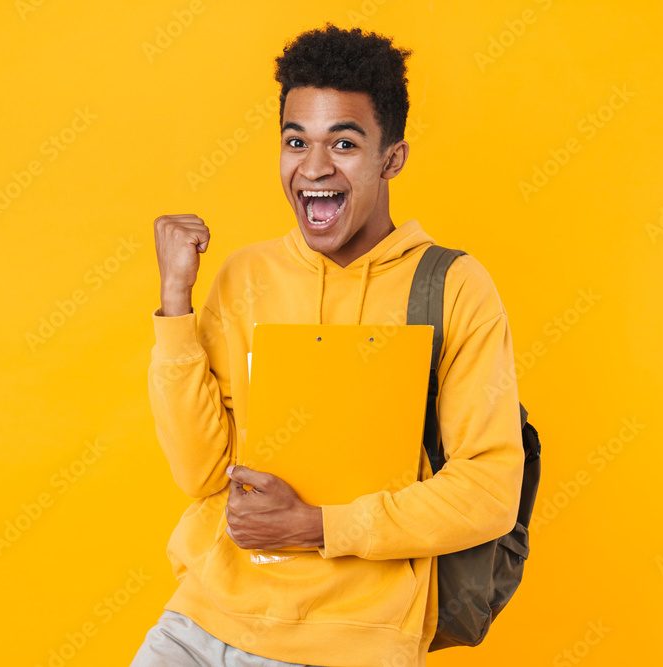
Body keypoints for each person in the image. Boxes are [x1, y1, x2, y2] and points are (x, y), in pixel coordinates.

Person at [134, 22, 524, 667]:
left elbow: (488, 491)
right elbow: (200, 473)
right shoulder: (245, 276)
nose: (313, 168)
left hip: (350, 642)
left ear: (391, 158)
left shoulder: (454, 288)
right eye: (296, 141)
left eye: (343, 143)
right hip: (200, 621)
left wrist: (317, 527)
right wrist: (176, 303)